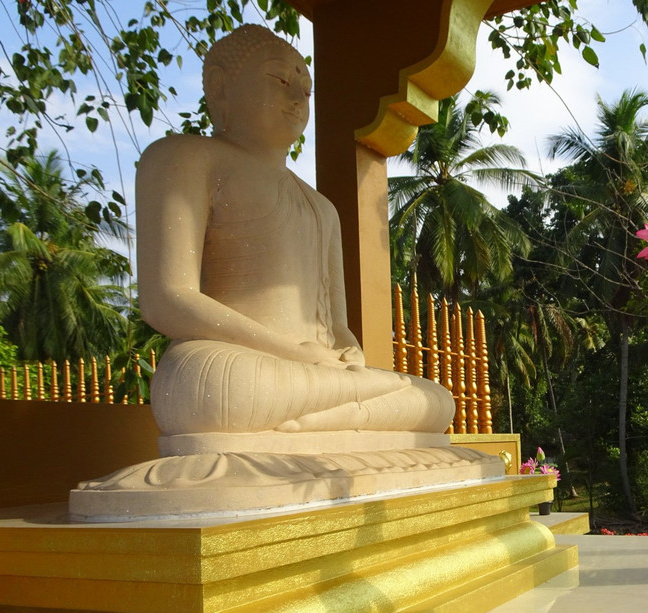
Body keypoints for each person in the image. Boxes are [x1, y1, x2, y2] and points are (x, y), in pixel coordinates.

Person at [136, 24, 455, 443]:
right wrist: (291, 352)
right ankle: (338, 417)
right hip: (241, 365)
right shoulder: (183, 158)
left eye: (305, 90)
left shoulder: (321, 207)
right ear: (220, 86)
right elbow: (166, 300)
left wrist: (346, 351)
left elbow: (336, 325)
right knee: (204, 389)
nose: (297, 98)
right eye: (281, 80)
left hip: (317, 374)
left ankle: (318, 421)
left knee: (434, 400)